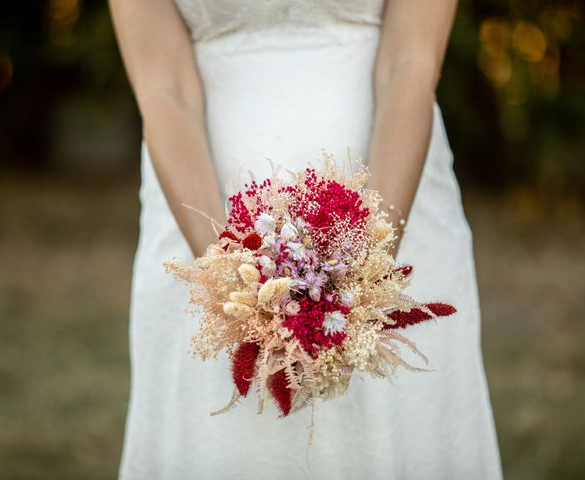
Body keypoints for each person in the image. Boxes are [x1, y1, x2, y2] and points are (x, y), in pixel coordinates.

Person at [109, 0, 503, 478]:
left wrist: (366, 268)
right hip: (199, 208)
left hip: (396, 197)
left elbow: (411, 62)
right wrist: (230, 277)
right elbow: (162, 86)